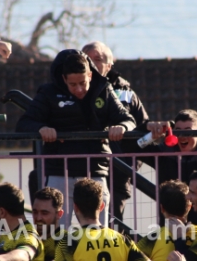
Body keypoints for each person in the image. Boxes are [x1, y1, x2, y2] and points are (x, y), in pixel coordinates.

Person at [15, 49, 136, 228]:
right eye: (73, 84)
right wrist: (42, 128)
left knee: (97, 233)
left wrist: (122, 127)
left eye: (83, 83)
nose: (79, 89)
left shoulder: (104, 88)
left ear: (90, 75)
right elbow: (24, 123)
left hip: (95, 172)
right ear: (64, 79)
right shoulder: (48, 92)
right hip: (58, 172)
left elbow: (128, 119)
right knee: (56, 234)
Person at [82, 41, 150, 223]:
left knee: (112, 225)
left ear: (109, 65)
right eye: (87, 59)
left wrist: (129, 165)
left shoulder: (126, 93)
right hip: (76, 168)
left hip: (116, 173)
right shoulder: (70, 89)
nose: (91, 63)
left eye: (97, 59)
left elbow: (143, 129)